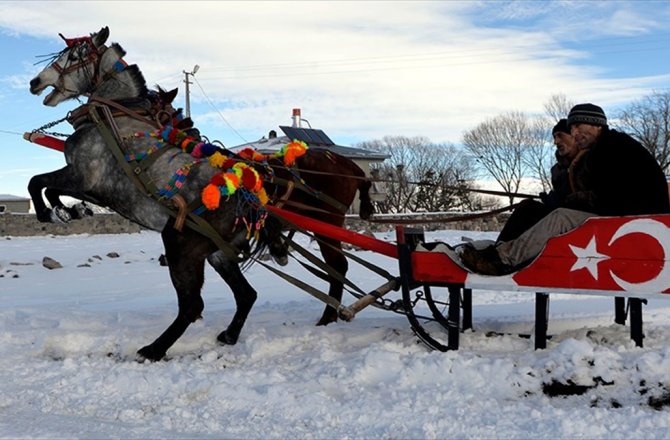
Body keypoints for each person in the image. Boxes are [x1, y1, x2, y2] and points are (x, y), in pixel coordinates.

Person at [460, 103, 670, 275]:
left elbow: (613, 195)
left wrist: (575, 200)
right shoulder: (600, 149)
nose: (575, 132)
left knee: (561, 217)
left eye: (579, 126)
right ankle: (497, 253)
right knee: (532, 209)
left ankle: (505, 261)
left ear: (597, 124)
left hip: (638, 218)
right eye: (572, 128)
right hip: (621, 212)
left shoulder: (613, 147)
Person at [496, 119, 578, 242]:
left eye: (560, 135)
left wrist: (560, 199)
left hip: (574, 215)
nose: (556, 142)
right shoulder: (557, 170)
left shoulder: (586, 162)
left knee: (529, 210)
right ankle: (502, 246)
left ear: (574, 136)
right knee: (526, 207)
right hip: (559, 211)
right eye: (554, 137)